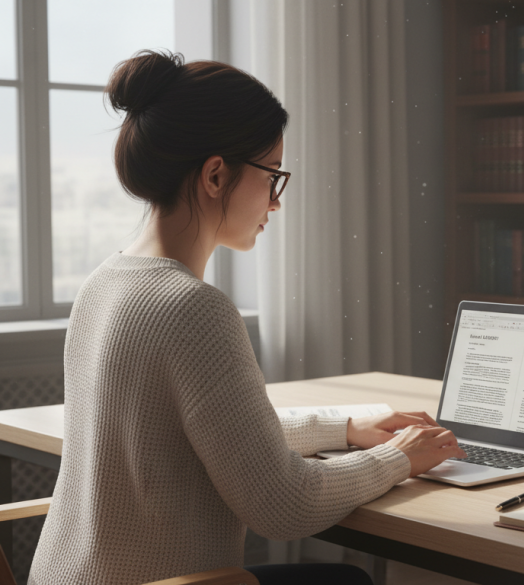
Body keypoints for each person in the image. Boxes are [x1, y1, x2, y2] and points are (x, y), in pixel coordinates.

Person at [28, 49, 466, 585]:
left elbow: (217, 433)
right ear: (216, 175)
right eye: (271, 176)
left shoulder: (104, 281)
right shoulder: (194, 308)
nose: (275, 203)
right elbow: (285, 505)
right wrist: (399, 457)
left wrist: (345, 429)